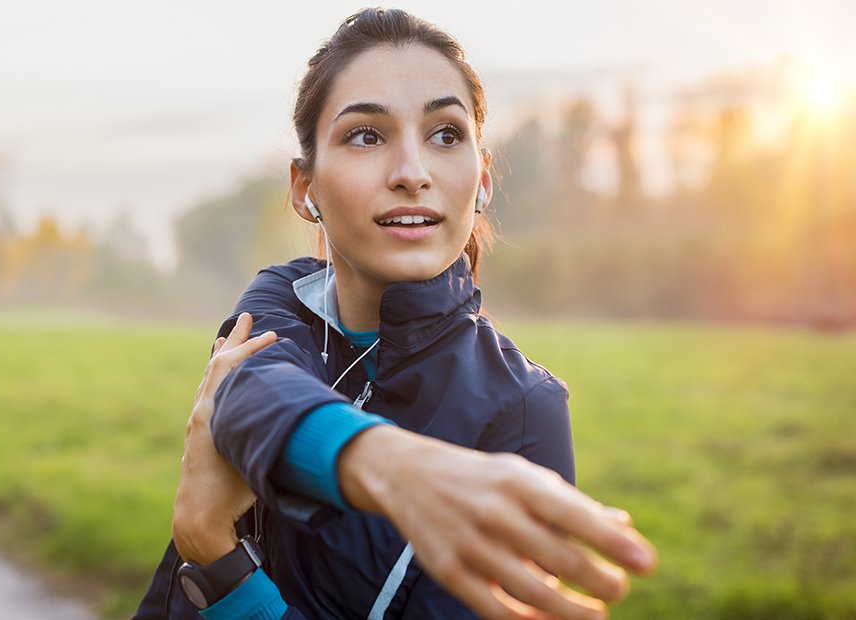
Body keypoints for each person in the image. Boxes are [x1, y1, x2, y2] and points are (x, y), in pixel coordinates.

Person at [135, 8, 656, 619]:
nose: (413, 174)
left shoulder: (523, 409)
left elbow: (223, 476)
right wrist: (391, 465)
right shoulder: (285, 295)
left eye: (445, 135)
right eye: (366, 135)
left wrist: (219, 562)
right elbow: (248, 390)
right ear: (306, 188)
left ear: (482, 178)